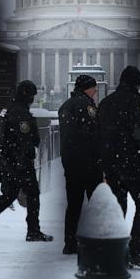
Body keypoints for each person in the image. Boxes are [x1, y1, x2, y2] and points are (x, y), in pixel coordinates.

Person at [0, 80, 53, 242]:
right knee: (33, 194)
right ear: (26, 95)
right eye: (32, 96)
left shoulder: (10, 108)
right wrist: (25, 157)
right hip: (19, 161)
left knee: (8, 195)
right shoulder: (20, 112)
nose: (33, 99)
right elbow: (25, 138)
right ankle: (33, 231)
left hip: (8, 160)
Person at [98, 66, 140, 269]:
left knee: (117, 207)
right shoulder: (136, 103)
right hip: (131, 162)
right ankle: (135, 250)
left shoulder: (105, 103)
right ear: (136, 83)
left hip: (111, 164)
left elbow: (99, 134)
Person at [58, 74, 104, 254]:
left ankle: (70, 243)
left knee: (74, 204)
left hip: (71, 162)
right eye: (93, 88)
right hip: (89, 163)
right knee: (96, 203)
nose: (95, 92)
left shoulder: (65, 106)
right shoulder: (87, 106)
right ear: (87, 88)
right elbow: (92, 134)